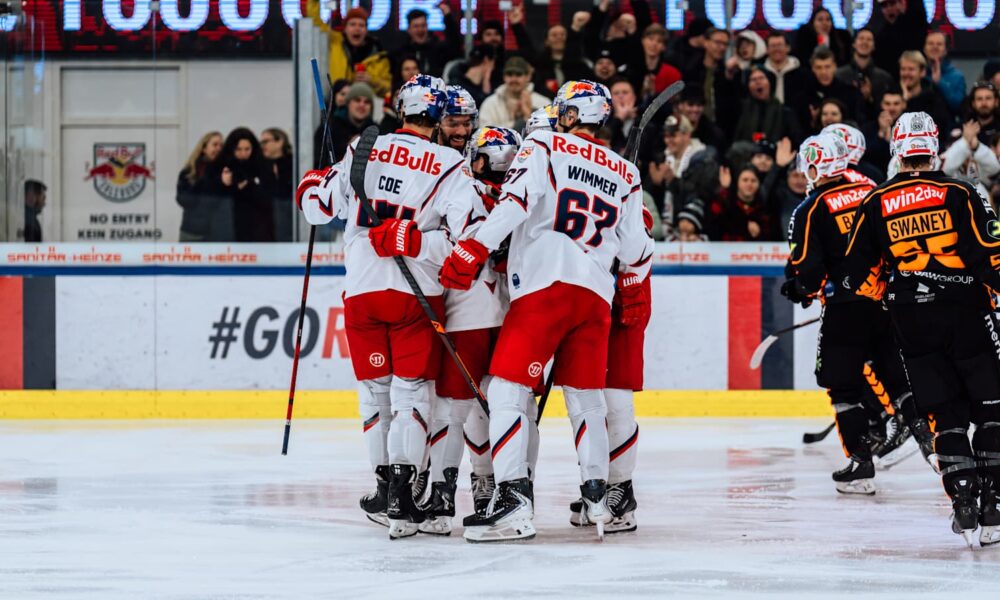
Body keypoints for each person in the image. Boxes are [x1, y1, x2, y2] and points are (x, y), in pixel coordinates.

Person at [439, 80, 653, 542]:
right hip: (595, 297)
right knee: (588, 397)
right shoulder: (625, 171)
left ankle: (514, 502)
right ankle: (599, 497)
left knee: (506, 390)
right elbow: (637, 249)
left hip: (545, 288)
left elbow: (515, 203)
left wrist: (473, 247)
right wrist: (634, 286)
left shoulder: (543, 143)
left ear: (571, 116)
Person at [295, 74, 480, 540]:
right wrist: (419, 240)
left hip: (361, 290)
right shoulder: (450, 163)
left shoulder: (363, 145)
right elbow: (470, 237)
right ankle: (402, 496)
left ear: (401, 108)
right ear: (439, 117)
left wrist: (312, 179)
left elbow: (317, 208)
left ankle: (382, 490)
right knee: (412, 395)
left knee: (374, 397)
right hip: (415, 292)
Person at [844, 111, 1000, 546]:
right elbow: (992, 252)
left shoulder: (874, 201)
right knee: (991, 405)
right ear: (934, 150)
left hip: (912, 321)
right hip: (966, 313)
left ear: (896, 150)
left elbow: (858, 273)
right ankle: (994, 504)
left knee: (944, 413)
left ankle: (963, 502)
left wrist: (892, 294)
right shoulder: (962, 190)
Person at [782, 132, 917, 494]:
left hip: (844, 310)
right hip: (883, 301)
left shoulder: (810, 208)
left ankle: (860, 463)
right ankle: (928, 437)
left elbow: (807, 272)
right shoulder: (870, 191)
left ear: (814, 166)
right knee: (893, 372)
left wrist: (799, 289)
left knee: (842, 384)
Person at [645, 115, 720, 241]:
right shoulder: (662, 159)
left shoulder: (704, 158)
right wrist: (656, 184)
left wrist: (673, 181)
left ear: (687, 135)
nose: (668, 141)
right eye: (666, 136)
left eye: (673, 136)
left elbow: (701, 194)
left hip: (696, 232)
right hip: (666, 231)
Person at [307, 4, 391, 96]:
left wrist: (371, 80)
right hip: (337, 104)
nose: (357, 28)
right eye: (352, 24)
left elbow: (389, 88)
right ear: (345, 29)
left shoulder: (378, 56)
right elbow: (314, 21)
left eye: (361, 25)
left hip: (364, 106)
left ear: (366, 31)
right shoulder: (335, 42)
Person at [508, 4, 588, 96]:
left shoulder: (576, 63)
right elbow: (526, 49)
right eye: (554, 35)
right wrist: (517, 25)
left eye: (562, 35)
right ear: (547, 41)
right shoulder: (540, 63)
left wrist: (576, 26)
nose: (559, 38)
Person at [215, 127, 274, 242]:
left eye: (247, 149)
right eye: (238, 149)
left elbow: (269, 193)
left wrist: (250, 184)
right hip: (227, 225)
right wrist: (224, 183)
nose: (243, 153)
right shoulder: (221, 166)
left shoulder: (262, 166)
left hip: (258, 227)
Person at [683, 27, 740, 138]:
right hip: (694, 129)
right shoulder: (691, 69)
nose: (722, 48)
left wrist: (729, 78)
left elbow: (734, 106)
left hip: (722, 130)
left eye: (725, 44)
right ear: (706, 42)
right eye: (718, 43)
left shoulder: (729, 73)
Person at [794, 47, 862, 135]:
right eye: (819, 67)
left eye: (827, 67)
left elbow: (856, 122)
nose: (823, 72)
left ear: (834, 66)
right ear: (813, 69)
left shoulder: (849, 93)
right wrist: (814, 122)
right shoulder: (803, 96)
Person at [834, 28, 894, 118]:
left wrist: (870, 99)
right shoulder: (839, 75)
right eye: (861, 38)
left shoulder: (884, 78)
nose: (865, 42)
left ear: (874, 46)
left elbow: (887, 109)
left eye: (869, 39)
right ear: (854, 44)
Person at [478, 57, 550, 130]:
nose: (513, 79)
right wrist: (513, 121)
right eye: (509, 74)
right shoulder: (490, 103)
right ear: (504, 77)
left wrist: (529, 114)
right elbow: (484, 134)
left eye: (518, 74)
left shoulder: (543, 103)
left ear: (528, 76)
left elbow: (549, 134)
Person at [390, 5, 463, 78]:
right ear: (409, 30)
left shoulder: (437, 51)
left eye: (423, 25)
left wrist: (448, 17)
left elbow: (455, 48)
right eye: (416, 26)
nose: (420, 30)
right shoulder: (400, 54)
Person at [733, 66, 800, 144]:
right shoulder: (741, 110)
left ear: (770, 83)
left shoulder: (784, 112)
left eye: (761, 78)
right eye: (753, 79)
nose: (758, 82)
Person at [176, 131, 223, 242]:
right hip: (192, 232)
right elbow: (183, 200)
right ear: (204, 148)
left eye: (221, 146)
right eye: (215, 145)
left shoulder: (225, 172)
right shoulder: (189, 172)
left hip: (217, 234)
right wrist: (203, 181)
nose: (219, 149)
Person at [708, 166, 774, 241]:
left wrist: (760, 232)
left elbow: (770, 235)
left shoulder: (764, 207)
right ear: (737, 182)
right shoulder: (724, 200)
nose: (749, 184)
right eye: (745, 180)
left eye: (753, 181)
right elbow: (714, 225)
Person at [898, 51, 952, 133]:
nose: (906, 73)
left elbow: (939, 125)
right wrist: (904, 100)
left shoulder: (933, 95)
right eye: (903, 69)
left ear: (922, 72)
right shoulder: (892, 94)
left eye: (911, 69)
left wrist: (910, 102)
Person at [873, 0, 928, 77]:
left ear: (902, 4)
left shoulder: (915, 27)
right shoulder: (880, 37)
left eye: (892, 3)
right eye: (884, 6)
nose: (889, 9)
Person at [861, 86, 906, 172]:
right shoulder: (869, 128)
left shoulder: (909, 127)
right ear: (881, 104)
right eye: (887, 104)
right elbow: (867, 157)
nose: (891, 108)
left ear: (904, 104)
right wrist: (881, 133)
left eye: (896, 104)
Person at [327, 82, 376, 161]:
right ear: (348, 103)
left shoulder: (378, 132)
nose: (362, 105)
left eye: (367, 102)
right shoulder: (330, 128)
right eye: (357, 100)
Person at [260, 128, 294, 241]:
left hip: (289, 220)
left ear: (280, 142)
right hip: (265, 222)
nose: (263, 146)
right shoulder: (260, 165)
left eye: (265, 142)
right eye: (261, 143)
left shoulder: (294, 164)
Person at [923, 32, 966, 115]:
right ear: (924, 49)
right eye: (930, 43)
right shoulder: (915, 73)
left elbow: (959, 107)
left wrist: (940, 82)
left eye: (939, 44)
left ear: (946, 50)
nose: (934, 47)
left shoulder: (957, 76)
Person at [763, 32, 807, 105]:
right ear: (767, 50)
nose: (776, 49)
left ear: (788, 48)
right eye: (773, 46)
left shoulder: (802, 74)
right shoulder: (761, 74)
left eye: (780, 45)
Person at [967, 82, 1000, 147]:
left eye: (988, 98)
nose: (984, 103)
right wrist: (964, 140)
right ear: (973, 103)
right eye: (979, 99)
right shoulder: (965, 127)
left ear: (996, 102)